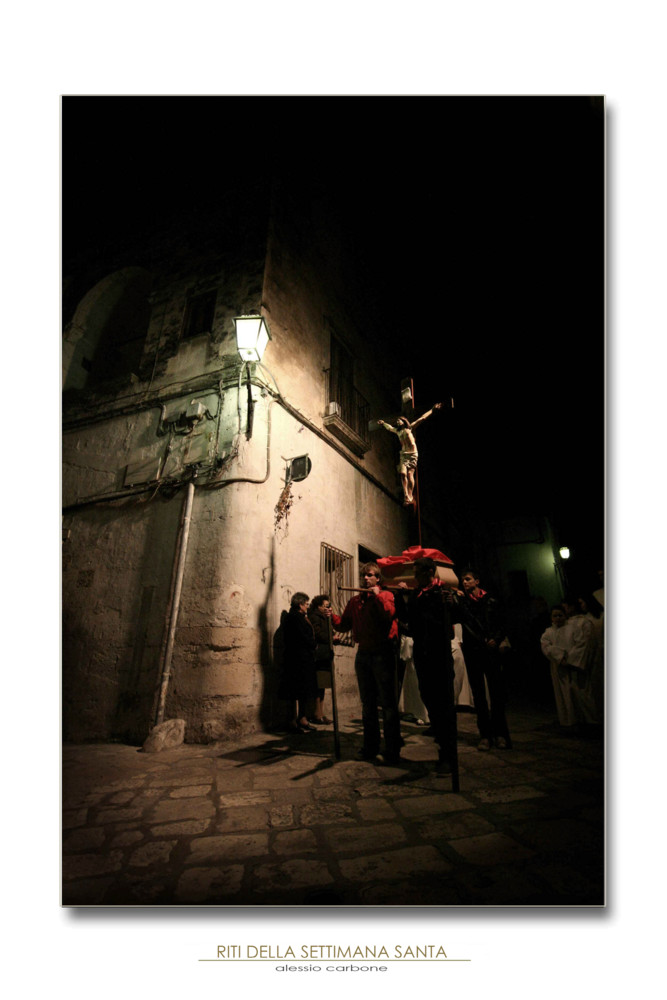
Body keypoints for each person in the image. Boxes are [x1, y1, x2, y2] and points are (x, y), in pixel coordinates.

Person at [396, 557, 458, 773]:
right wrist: (400, 597)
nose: (415, 577)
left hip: (439, 655)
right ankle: (443, 746)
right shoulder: (416, 595)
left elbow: (456, 619)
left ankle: (448, 755)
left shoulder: (443, 593)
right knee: (430, 700)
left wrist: (451, 605)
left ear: (430, 571)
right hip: (423, 655)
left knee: (445, 706)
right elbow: (407, 622)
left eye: (418, 572)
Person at [337, 562, 402, 765]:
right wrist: (330, 615)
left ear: (378, 579)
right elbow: (345, 624)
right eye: (363, 575)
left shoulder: (387, 596)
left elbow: (389, 614)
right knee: (368, 704)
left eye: (370, 575)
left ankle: (392, 750)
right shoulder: (355, 601)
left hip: (383, 653)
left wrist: (378, 595)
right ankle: (370, 746)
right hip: (363, 654)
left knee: (388, 705)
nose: (365, 578)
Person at [458, 568, 512, 750]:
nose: (464, 582)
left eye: (467, 579)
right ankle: (485, 735)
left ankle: (501, 734)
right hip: (474, 652)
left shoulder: (491, 600)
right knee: (479, 696)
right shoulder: (463, 602)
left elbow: (502, 622)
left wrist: (495, 639)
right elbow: (465, 623)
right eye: (462, 580)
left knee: (497, 694)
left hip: (491, 651)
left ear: (477, 581)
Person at [377, 402, 444, 504]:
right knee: (403, 474)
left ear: (404, 421)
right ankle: (406, 496)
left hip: (412, 454)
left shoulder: (410, 428)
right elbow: (390, 428)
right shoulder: (398, 431)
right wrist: (383, 423)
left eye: (399, 420)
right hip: (404, 455)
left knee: (410, 474)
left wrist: (432, 410)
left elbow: (422, 418)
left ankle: (410, 494)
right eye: (397, 421)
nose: (398, 422)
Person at [278, 592, 318, 733]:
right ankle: (293, 721)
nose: (308, 606)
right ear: (300, 604)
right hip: (297, 660)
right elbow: (303, 637)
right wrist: (314, 644)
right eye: (306, 604)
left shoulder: (298, 617)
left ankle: (302, 718)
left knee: (302, 691)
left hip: (301, 659)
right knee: (295, 691)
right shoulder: (295, 618)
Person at [540, 604, 577, 727]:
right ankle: (565, 720)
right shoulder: (549, 632)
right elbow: (546, 647)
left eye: (560, 615)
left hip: (573, 664)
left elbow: (578, 644)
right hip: (558, 666)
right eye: (555, 616)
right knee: (561, 693)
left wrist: (570, 658)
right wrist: (559, 657)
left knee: (574, 693)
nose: (558, 618)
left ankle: (577, 719)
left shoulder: (572, 629)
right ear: (551, 618)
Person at [307, 594, 341, 725]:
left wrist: (333, 637)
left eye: (329, 606)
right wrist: (331, 638)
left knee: (323, 685)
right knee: (319, 685)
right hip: (320, 655)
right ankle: (317, 714)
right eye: (325, 606)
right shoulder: (315, 616)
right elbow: (318, 633)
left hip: (325, 655)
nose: (328, 608)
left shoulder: (325, 617)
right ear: (319, 606)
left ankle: (320, 713)